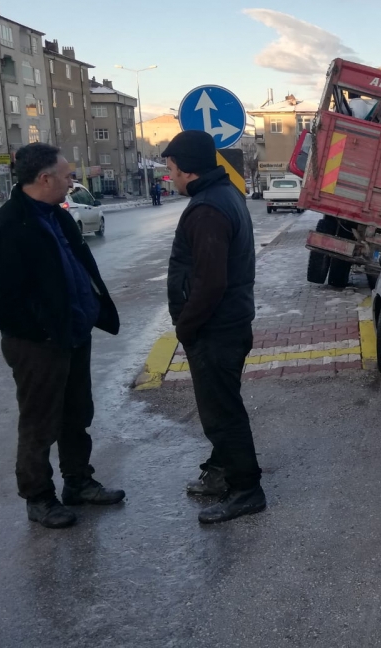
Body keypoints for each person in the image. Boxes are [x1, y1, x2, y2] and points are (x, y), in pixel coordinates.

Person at [0, 143, 125, 530]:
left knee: (77, 414)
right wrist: (40, 332)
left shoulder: (57, 217)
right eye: (67, 175)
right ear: (44, 179)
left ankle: (78, 481)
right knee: (40, 421)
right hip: (39, 344)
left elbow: (77, 267)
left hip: (73, 333)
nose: (72, 180)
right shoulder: (8, 228)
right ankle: (39, 497)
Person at [162, 130, 266, 525]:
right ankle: (223, 471)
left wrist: (185, 327)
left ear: (187, 168)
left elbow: (210, 282)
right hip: (229, 322)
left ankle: (246, 490)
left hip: (215, 328)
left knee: (222, 413)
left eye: (171, 168)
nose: (170, 176)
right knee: (224, 403)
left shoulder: (206, 209)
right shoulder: (225, 196)